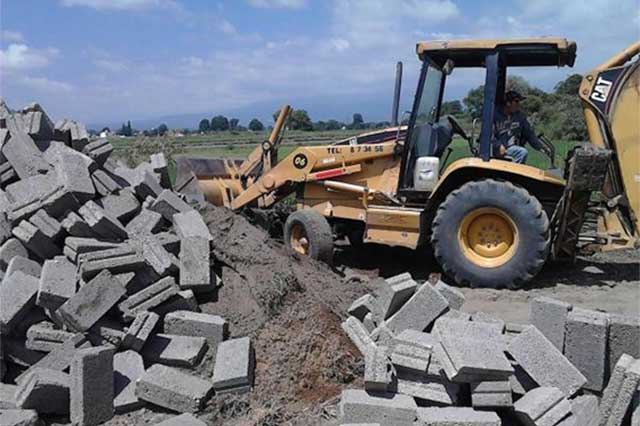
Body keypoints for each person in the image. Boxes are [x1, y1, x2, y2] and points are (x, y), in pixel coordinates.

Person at [492, 90, 545, 164]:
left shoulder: (519, 117)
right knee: (522, 152)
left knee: (520, 151)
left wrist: (541, 147)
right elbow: (488, 134)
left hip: (511, 148)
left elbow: (529, 134)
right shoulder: (495, 116)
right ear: (508, 103)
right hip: (497, 149)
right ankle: (511, 174)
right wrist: (498, 145)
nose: (518, 105)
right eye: (516, 102)